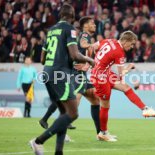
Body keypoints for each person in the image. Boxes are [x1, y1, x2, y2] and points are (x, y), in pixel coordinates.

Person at [29, 4, 94, 155]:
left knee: (63, 113)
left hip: (47, 73)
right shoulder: (69, 29)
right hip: (60, 74)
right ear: (72, 15)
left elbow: (43, 59)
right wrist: (89, 60)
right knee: (73, 114)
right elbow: (75, 55)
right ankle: (38, 141)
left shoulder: (50, 31)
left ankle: (59, 152)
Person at [90, 30, 155, 142]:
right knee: (105, 104)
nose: (132, 47)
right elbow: (121, 74)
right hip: (100, 78)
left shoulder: (109, 41)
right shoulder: (119, 52)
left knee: (126, 87)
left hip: (103, 73)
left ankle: (145, 109)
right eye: (132, 44)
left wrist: (94, 62)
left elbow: (94, 46)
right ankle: (103, 133)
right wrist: (129, 67)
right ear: (126, 41)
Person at [38, 16, 103, 138]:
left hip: (79, 73)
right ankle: (64, 125)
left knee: (95, 99)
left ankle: (100, 133)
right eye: (92, 23)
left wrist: (87, 63)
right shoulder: (85, 36)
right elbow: (83, 44)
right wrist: (94, 46)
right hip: (77, 74)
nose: (94, 25)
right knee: (73, 101)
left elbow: (78, 50)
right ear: (85, 26)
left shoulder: (83, 36)